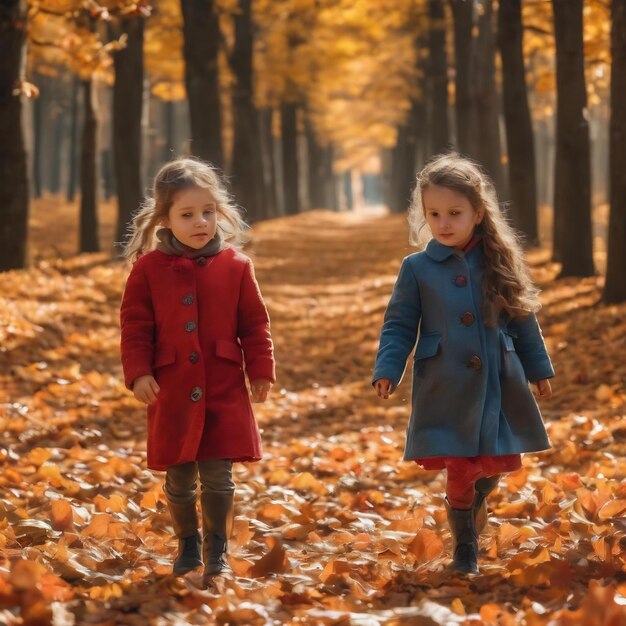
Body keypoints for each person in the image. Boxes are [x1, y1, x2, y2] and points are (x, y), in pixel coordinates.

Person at [372, 153, 554, 575]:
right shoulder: (416, 268)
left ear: (477, 212)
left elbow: (523, 318)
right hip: (444, 383)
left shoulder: (498, 261)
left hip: (498, 380)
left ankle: (477, 500)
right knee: (459, 466)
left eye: (455, 213)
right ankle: (464, 550)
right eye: (434, 214)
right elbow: (399, 324)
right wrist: (388, 368)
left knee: (493, 466)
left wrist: (538, 367)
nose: (444, 223)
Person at [120, 158, 275, 580]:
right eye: (187, 215)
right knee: (180, 476)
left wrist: (260, 369)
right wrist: (138, 372)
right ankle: (188, 545)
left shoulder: (236, 265)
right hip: (171, 387)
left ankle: (217, 552)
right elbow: (135, 325)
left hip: (223, 385)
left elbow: (254, 323)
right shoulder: (148, 269)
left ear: (219, 210)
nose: (200, 222)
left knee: (218, 475)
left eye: (207, 212)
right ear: (165, 219)